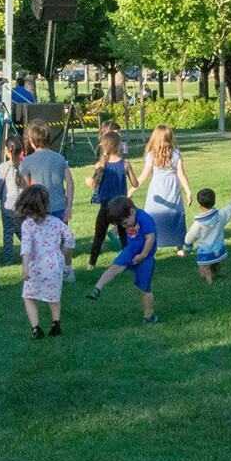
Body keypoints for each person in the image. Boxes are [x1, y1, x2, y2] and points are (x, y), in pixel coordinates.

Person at [86, 197, 158, 325]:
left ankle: (148, 316)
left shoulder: (144, 218)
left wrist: (143, 255)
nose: (124, 227)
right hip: (130, 251)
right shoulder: (128, 217)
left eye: (125, 223)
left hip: (145, 257)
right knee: (115, 266)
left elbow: (150, 238)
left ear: (131, 212)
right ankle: (98, 288)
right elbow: (119, 229)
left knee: (144, 289)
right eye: (121, 225)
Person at [18, 184, 75, 338]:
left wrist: (25, 269)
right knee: (53, 296)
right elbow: (69, 237)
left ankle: (36, 329)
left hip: (36, 267)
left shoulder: (27, 225)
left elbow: (26, 247)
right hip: (55, 265)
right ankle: (56, 324)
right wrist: (62, 255)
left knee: (28, 297)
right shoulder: (55, 221)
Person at [130, 125, 192, 257]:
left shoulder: (175, 154)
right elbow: (143, 176)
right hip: (157, 191)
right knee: (153, 218)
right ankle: (152, 245)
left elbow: (181, 174)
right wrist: (132, 190)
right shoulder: (151, 156)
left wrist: (188, 192)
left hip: (171, 191)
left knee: (175, 217)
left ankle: (179, 245)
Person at [86, 131, 136, 269]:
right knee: (124, 236)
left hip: (105, 207)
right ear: (119, 146)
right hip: (121, 206)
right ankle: (128, 262)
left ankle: (91, 264)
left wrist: (88, 181)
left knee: (98, 236)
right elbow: (135, 183)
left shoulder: (101, 165)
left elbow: (93, 184)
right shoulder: (125, 164)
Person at [20, 120, 74, 226]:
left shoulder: (28, 160)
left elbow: (26, 187)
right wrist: (69, 207)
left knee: (41, 240)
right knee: (59, 240)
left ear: (32, 141)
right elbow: (70, 182)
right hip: (60, 206)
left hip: (38, 208)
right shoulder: (60, 158)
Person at [183, 188, 231, 285]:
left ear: (200, 204)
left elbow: (190, 236)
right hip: (218, 248)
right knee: (216, 263)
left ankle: (210, 283)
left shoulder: (198, 224)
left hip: (205, 252)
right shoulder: (220, 215)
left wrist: (187, 246)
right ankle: (218, 274)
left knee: (205, 268)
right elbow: (230, 210)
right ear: (214, 201)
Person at [0, 136, 25, 265]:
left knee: (8, 234)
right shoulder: (25, 165)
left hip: (7, 207)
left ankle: (8, 259)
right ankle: (31, 254)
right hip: (23, 207)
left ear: (7, 150)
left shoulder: (3, 168)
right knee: (23, 232)